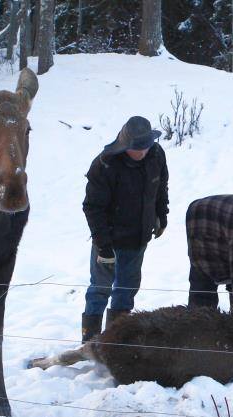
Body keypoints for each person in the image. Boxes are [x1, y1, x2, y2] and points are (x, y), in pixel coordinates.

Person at [81, 116, 169, 342]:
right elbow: (92, 207)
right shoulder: (105, 165)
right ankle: (89, 342)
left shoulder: (157, 156)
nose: (141, 152)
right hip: (108, 238)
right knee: (99, 289)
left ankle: (115, 342)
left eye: (145, 147)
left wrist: (161, 215)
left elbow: (160, 188)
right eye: (136, 148)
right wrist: (103, 246)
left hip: (138, 237)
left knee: (127, 290)